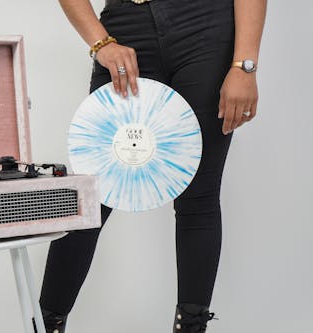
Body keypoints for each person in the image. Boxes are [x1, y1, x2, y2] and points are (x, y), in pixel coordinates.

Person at [35, 0, 266, 332]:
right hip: (125, 28)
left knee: (197, 196)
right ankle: (44, 324)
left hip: (206, 28)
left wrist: (245, 66)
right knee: (90, 196)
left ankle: (190, 327)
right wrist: (101, 43)